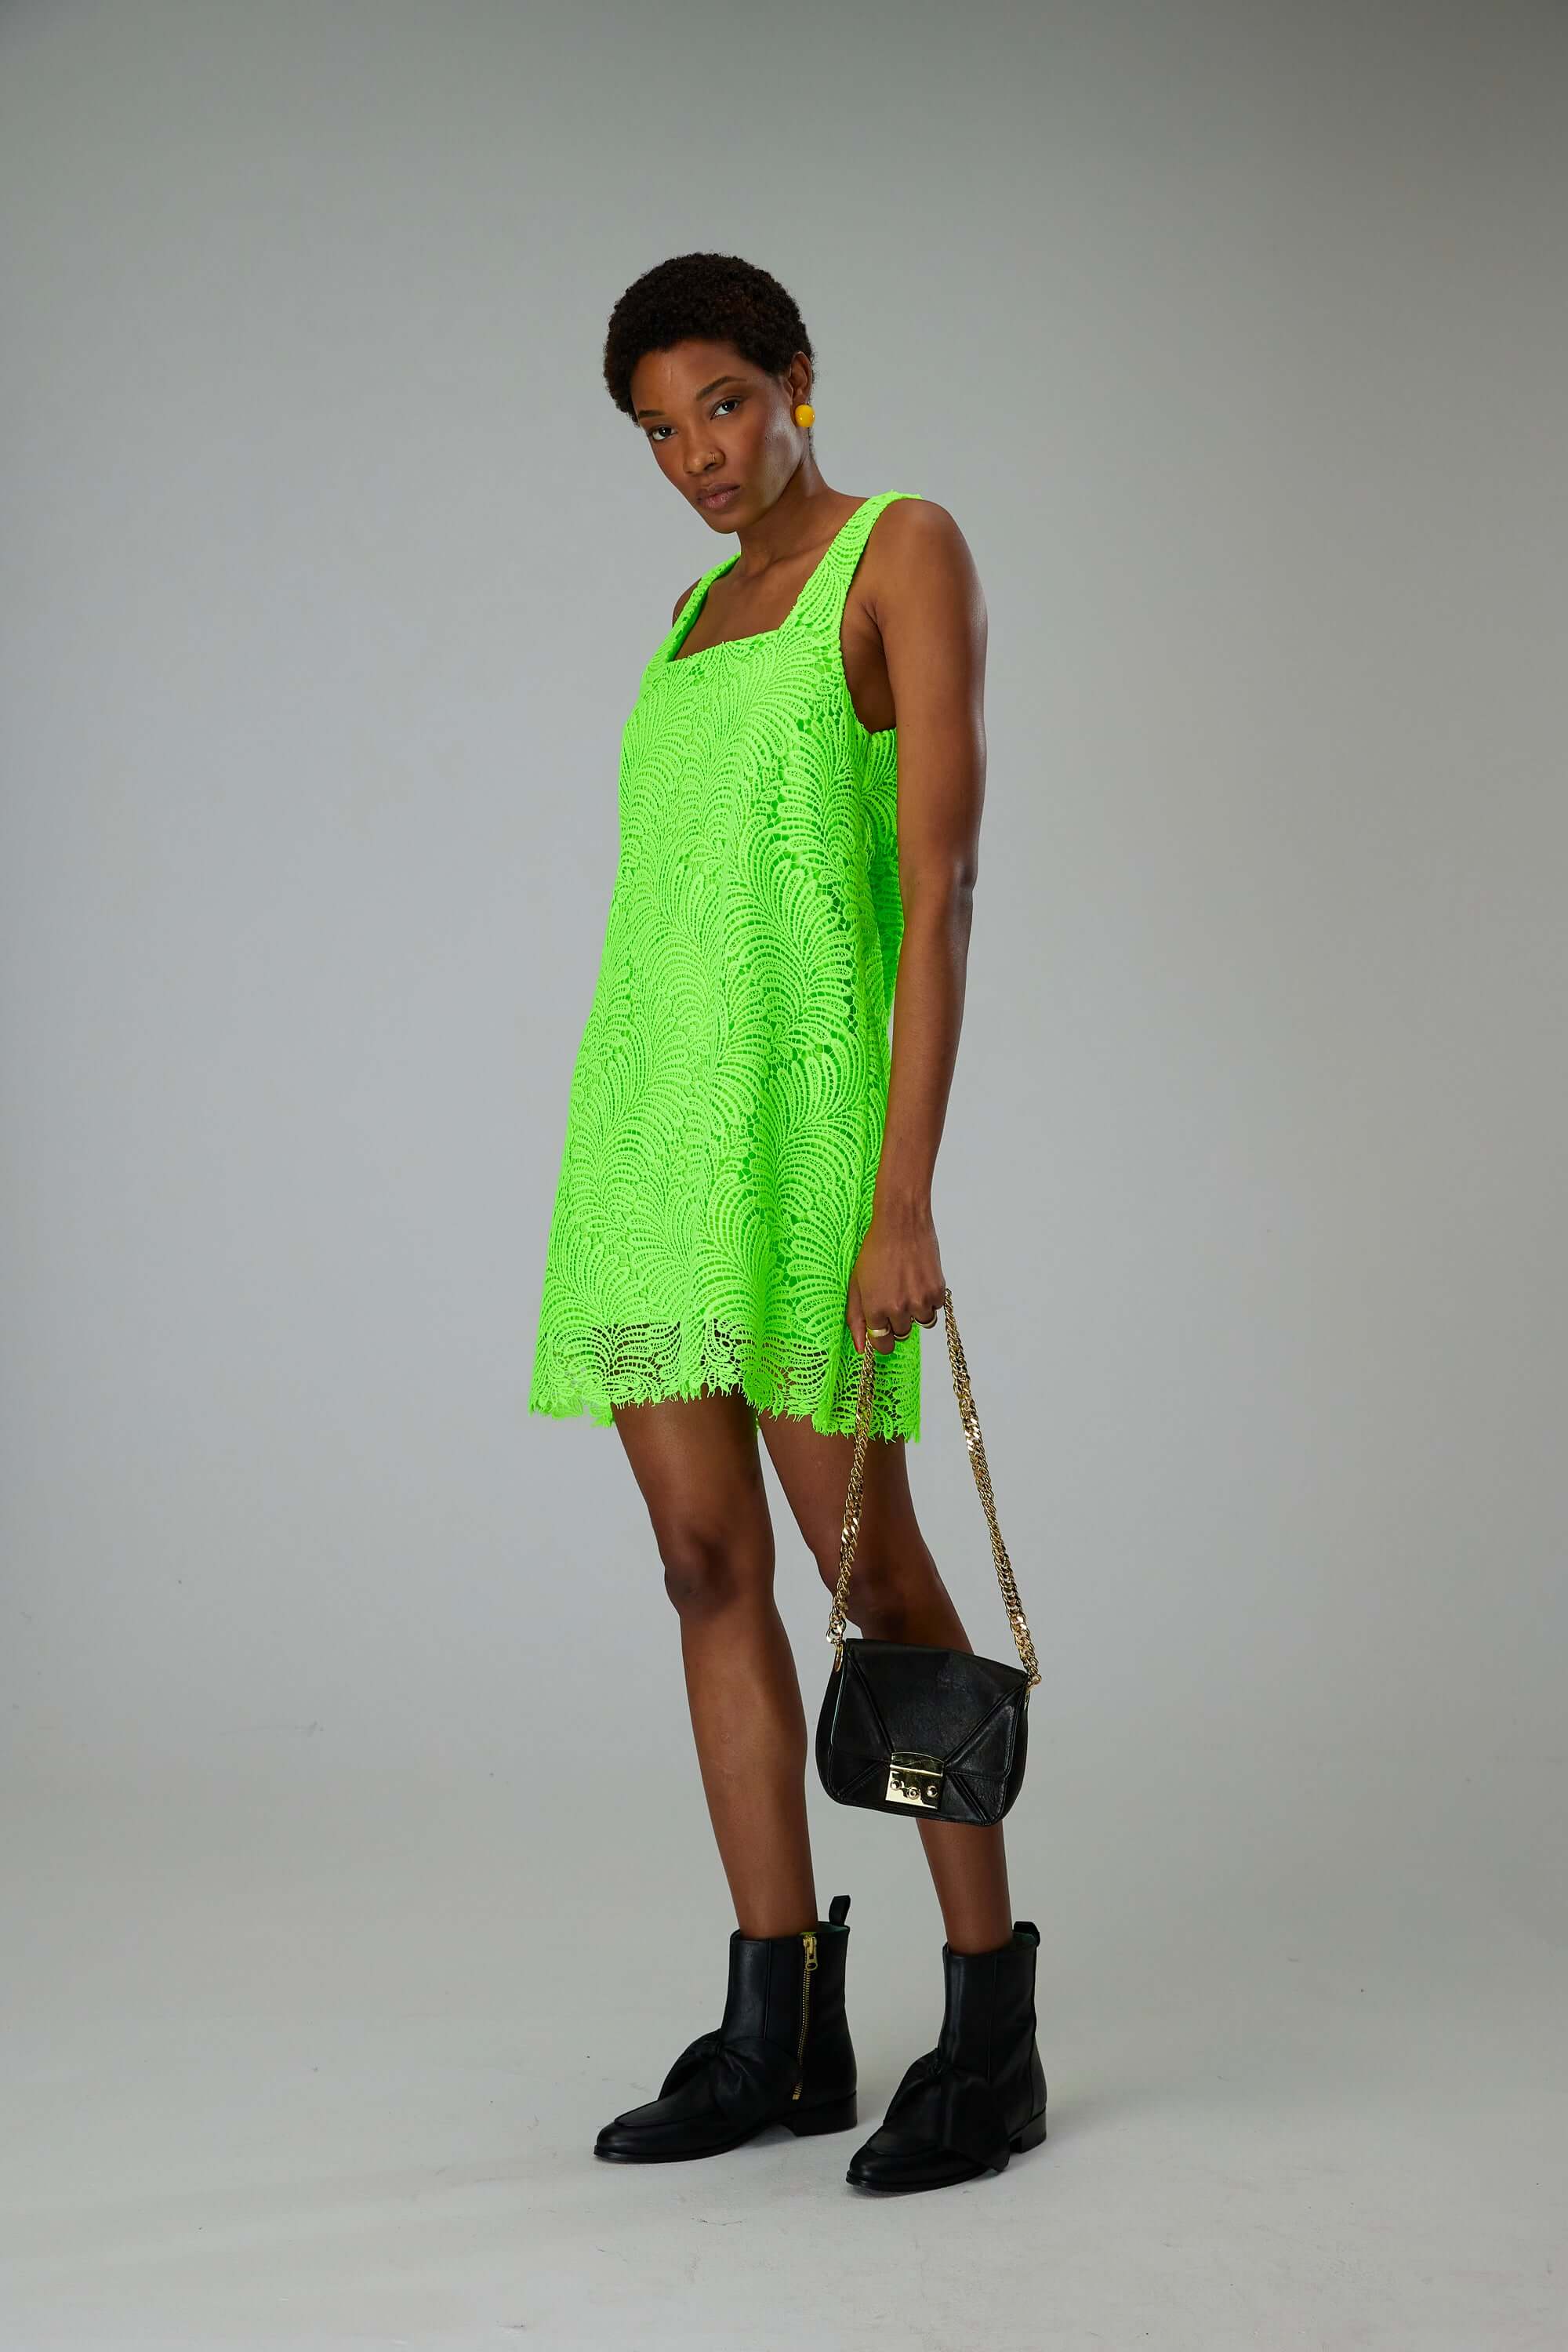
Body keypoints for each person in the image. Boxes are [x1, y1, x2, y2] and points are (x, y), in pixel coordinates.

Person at [528, 251, 1046, 2193]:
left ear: (798, 381)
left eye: (725, 405)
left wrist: (901, 1195)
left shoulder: (899, 551)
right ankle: (780, 2024)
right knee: (700, 1568)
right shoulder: (685, 615)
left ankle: (987, 2032)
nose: (699, 457)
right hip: (647, 1143)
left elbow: (941, 886)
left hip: (812, 1147)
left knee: (876, 1582)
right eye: (661, 431)